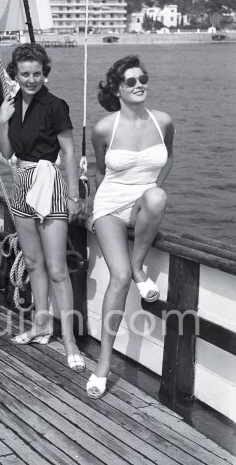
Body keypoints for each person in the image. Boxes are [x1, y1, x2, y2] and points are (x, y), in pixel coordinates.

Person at [87, 55, 174, 399]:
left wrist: (154, 188)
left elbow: (170, 158)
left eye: (143, 79)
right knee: (118, 278)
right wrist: (90, 206)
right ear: (117, 89)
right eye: (131, 82)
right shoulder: (104, 128)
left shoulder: (163, 121)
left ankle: (140, 266)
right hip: (109, 206)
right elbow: (99, 172)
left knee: (157, 197)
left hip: (142, 205)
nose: (140, 85)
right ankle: (103, 365)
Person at [0, 43, 85, 373]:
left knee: (57, 267)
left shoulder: (56, 105)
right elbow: (6, 153)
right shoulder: (11, 104)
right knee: (33, 263)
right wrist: (1, 121)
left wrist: (74, 196)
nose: (31, 79)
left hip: (50, 185)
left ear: (44, 73)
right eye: (24, 74)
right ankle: (40, 325)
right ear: (15, 75)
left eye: (37, 73)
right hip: (22, 183)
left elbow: (70, 152)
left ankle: (70, 340)